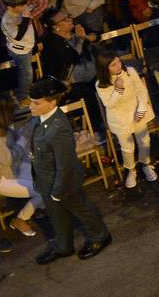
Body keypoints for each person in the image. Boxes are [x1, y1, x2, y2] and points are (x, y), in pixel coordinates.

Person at [28, 77, 111, 263]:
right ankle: (64, 246)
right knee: (57, 216)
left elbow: (64, 164)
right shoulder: (39, 120)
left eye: (36, 103)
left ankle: (101, 236)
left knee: (82, 210)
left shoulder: (59, 127)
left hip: (64, 183)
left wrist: (57, 191)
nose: (30, 107)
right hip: (46, 180)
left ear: (52, 102)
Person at [0, 93, 39, 237]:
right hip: (1, 179)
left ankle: (40, 209)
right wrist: (23, 140)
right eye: (9, 111)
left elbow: (16, 141)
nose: (13, 113)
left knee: (49, 181)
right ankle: (21, 219)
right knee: (43, 191)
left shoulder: (3, 128)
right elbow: (8, 159)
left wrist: (26, 130)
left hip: (15, 169)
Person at [94, 49, 156, 188]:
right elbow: (109, 104)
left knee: (144, 140)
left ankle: (145, 164)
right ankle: (131, 170)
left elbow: (141, 89)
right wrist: (118, 90)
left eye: (118, 62)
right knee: (127, 147)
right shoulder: (101, 84)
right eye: (113, 65)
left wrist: (141, 108)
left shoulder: (130, 71)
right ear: (105, 68)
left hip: (136, 113)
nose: (118, 66)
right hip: (120, 118)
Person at [0, 0, 36, 104]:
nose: (25, 6)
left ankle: (26, 92)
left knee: (26, 72)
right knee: (26, 74)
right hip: (20, 50)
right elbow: (18, 36)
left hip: (28, 45)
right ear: (10, 6)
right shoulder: (8, 20)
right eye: (21, 5)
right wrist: (26, 18)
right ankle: (23, 97)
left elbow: (30, 24)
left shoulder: (22, 10)